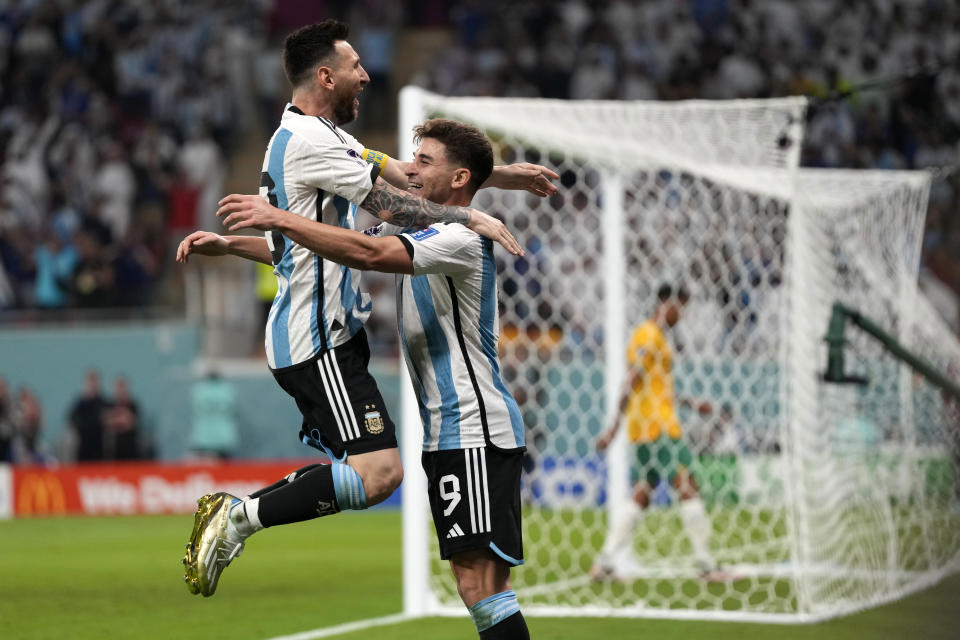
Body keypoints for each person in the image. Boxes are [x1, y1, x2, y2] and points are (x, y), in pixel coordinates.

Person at [175, 19, 557, 600]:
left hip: (332, 341)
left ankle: (241, 515)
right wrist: (472, 213)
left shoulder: (321, 137)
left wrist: (495, 177)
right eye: (355, 66)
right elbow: (392, 210)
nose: (367, 74)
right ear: (326, 76)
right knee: (381, 475)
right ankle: (239, 517)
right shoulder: (312, 143)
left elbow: (400, 182)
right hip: (318, 340)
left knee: (379, 483)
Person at [198, 117, 532, 639]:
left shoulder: (456, 236)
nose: (410, 169)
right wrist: (232, 244)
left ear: (459, 178)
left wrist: (280, 217)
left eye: (424, 161)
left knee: (483, 584)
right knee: (475, 585)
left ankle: (245, 516)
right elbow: (331, 249)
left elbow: (366, 253)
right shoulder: (419, 226)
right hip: (453, 431)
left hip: (475, 428)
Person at [591, 284, 719, 580]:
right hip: (659, 427)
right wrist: (612, 428)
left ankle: (605, 563)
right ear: (667, 303)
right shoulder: (650, 335)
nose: (682, 314)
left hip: (643, 427)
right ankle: (706, 567)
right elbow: (631, 379)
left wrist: (690, 403)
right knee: (686, 484)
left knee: (642, 494)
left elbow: (653, 388)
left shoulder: (652, 337)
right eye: (681, 307)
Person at [67, 369, 108, 462]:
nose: (93, 385)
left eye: (95, 382)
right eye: (90, 382)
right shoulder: (80, 403)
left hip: (101, 447)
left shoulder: (104, 403)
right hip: (83, 445)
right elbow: (72, 419)